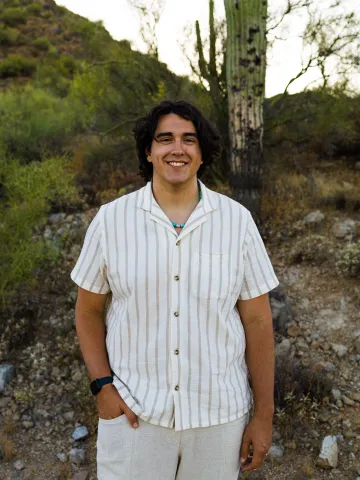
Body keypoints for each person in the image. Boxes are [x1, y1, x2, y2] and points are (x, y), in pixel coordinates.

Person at [71, 100, 279, 479]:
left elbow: (258, 321)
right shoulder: (111, 221)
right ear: (149, 151)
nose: (177, 149)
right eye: (164, 139)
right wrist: (102, 386)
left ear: (202, 153)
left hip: (218, 419)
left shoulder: (238, 223)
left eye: (189, 140)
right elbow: (87, 311)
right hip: (137, 414)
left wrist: (263, 415)